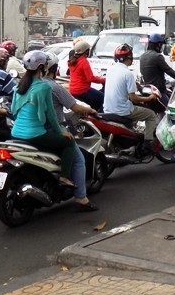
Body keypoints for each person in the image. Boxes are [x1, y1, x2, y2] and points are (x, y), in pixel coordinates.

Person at [10, 50, 79, 192]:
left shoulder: (19, 86)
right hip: (35, 133)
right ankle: (64, 177)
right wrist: (61, 131)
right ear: (41, 67)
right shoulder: (44, 87)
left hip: (15, 132)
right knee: (69, 143)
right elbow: (51, 115)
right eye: (46, 64)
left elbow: (13, 111)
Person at [43, 54, 98, 210]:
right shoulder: (53, 87)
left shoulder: (28, 86)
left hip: (23, 129)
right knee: (78, 160)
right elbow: (74, 107)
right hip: (49, 129)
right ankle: (80, 197)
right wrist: (91, 110)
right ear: (54, 69)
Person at [103, 44, 159, 141]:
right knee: (151, 115)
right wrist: (149, 98)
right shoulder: (128, 74)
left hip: (108, 109)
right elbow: (133, 98)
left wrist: (136, 84)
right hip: (122, 111)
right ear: (130, 57)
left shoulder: (110, 70)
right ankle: (148, 142)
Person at [139, 33, 175, 106]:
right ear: (158, 44)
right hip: (158, 92)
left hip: (147, 90)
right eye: (161, 44)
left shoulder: (142, 56)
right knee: (170, 108)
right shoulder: (157, 56)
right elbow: (168, 70)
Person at [67, 39, 105, 110]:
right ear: (86, 51)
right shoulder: (83, 61)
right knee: (103, 98)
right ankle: (101, 118)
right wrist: (103, 80)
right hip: (82, 90)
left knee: (94, 101)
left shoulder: (73, 60)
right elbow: (90, 78)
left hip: (73, 90)